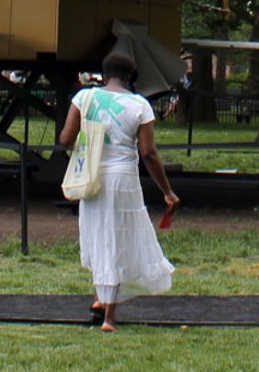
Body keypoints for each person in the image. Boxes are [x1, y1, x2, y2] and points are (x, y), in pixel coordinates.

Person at [58, 50, 178, 332]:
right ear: (131, 77)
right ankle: (109, 316)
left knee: (99, 234)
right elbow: (148, 152)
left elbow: (65, 138)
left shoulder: (84, 98)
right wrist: (167, 191)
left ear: (105, 72)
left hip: (91, 176)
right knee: (119, 238)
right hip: (123, 178)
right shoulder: (140, 105)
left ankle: (101, 300)